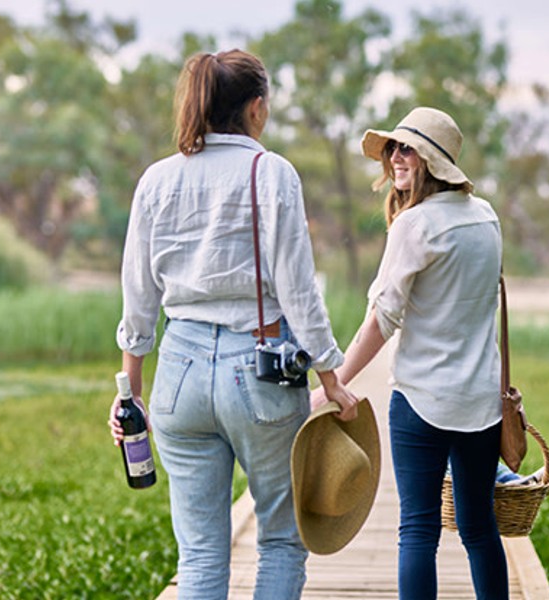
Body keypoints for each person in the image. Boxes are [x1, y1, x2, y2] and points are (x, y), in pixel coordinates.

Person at [108, 49, 359, 600]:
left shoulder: (157, 179)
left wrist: (130, 391)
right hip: (261, 370)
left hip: (179, 372)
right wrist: (331, 378)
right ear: (257, 107)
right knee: (282, 540)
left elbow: (138, 295)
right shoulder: (270, 173)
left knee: (199, 553)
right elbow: (298, 290)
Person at [310, 107, 508, 599]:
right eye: (393, 148)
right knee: (479, 527)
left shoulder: (415, 225)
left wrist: (335, 383)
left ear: (432, 161)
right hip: (480, 401)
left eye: (407, 149)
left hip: (421, 399)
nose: (396, 158)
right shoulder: (486, 218)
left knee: (417, 528)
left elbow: (380, 320)